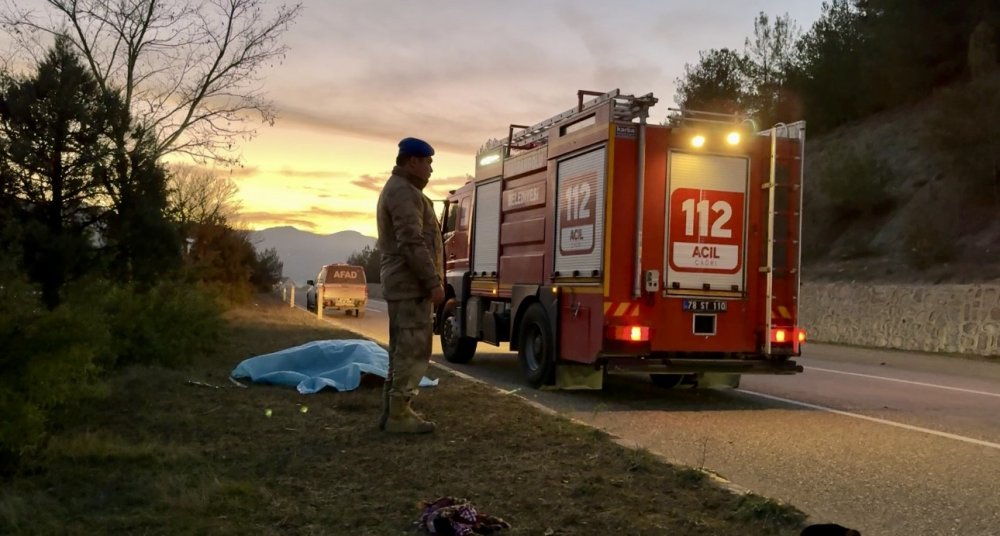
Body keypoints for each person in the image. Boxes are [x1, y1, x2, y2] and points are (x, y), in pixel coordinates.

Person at [376, 137, 446, 434]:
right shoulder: (404, 192)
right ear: (412, 161)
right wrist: (432, 282)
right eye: (428, 162)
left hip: (405, 283)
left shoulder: (404, 190)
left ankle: (392, 412)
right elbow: (412, 241)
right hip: (410, 284)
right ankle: (399, 414)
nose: (431, 168)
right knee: (413, 350)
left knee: (401, 349)